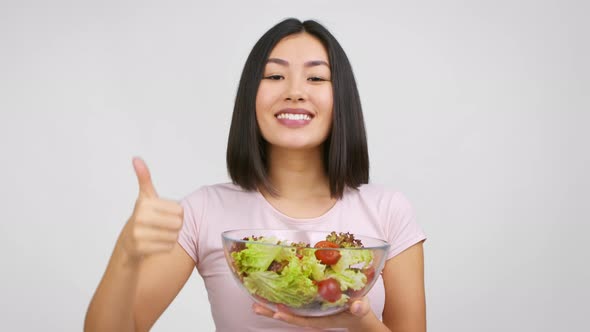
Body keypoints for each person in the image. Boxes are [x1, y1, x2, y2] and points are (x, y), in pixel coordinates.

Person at [84, 18, 426, 332]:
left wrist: (359, 320)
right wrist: (126, 252)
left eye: (316, 77)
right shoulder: (203, 211)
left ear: (342, 99)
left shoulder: (388, 210)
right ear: (251, 96)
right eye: (275, 76)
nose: (295, 91)